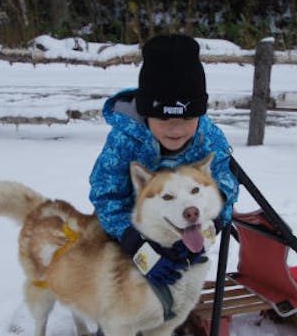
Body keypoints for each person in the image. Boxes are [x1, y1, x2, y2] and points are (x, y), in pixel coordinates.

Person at [89, 33, 238, 292]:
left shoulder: (207, 136)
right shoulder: (126, 140)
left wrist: (211, 226)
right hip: (132, 223)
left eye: (187, 119)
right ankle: (112, 321)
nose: (176, 130)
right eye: (164, 120)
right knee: (108, 256)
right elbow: (106, 194)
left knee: (184, 267)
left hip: (188, 219)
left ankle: (172, 308)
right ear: (147, 113)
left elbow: (226, 184)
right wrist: (134, 243)